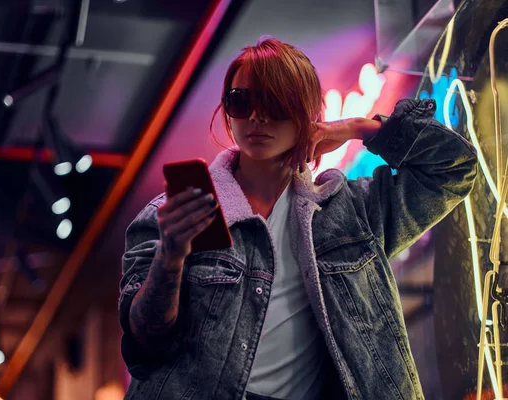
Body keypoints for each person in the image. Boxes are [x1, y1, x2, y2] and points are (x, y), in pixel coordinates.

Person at [118, 38, 477, 400]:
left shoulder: (352, 213)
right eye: (241, 101)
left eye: (274, 102)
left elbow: (454, 169)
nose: (257, 116)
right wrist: (171, 255)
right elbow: (144, 342)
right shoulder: (169, 216)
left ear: (307, 112)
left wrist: (356, 128)